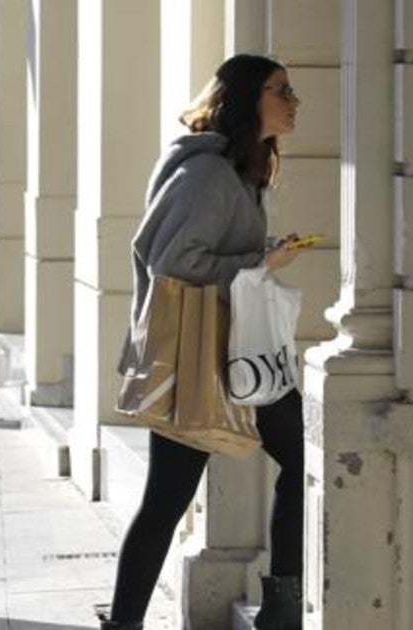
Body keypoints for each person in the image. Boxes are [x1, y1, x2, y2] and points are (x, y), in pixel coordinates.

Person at [100, 54, 304, 630]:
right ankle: (280, 609)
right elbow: (173, 260)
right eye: (280, 89)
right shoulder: (207, 173)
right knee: (169, 496)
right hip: (205, 353)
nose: (293, 101)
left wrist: (259, 258)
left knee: (294, 457)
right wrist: (259, 259)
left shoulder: (239, 167)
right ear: (245, 97)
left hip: (234, 350)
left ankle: (281, 608)